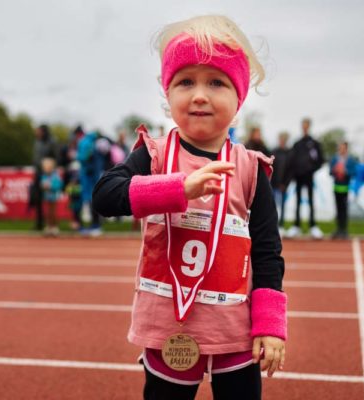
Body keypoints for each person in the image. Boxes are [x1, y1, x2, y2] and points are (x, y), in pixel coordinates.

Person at [93, 15, 286, 400]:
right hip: (168, 332)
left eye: (216, 82)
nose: (199, 94)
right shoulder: (153, 154)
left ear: (239, 97)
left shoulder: (250, 167)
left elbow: (268, 251)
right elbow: (104, 196)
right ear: (168, 95)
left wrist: (270, 324)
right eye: (186, 82)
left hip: (234, 334)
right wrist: (179, 187)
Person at [285, 118, 324, 239]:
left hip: (309, 176)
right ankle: (296, 225)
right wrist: (293, 173)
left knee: (311, 201)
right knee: (297, 202)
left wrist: (311, 170)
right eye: (303, 125)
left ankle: (313, 226)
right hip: (298, 177)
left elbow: (320, 160)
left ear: (309, 127)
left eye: (307, 125)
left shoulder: (314, 143)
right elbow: (291, 160)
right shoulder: (297, 144)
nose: (305, 127)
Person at [32, 124, 59, 231]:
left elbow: (56, 157)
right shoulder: (37, 142)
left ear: (43, 131)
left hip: (48, 175)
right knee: (37, 199)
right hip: (38, 173)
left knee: (51, 204)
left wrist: (49, 168)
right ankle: (40, 223)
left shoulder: (51, 142)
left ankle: (53, 226)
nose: (36, 133)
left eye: (38, 131)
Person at [329, 142, 358, 239]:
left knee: (344, 209)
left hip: (345, 188)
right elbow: (330, 172)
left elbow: (354, 172)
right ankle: (338, 229)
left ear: (346, 149)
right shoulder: (335, 159)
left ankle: (344, 230)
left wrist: (345, 172)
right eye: (340, 148)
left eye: (343, 148)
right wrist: (335, 171)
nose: (341, 150)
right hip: (336, 187)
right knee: (338, 209)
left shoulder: (350, 160)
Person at [271, 132, 290, 234]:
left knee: (282, 206)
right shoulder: (274, 152)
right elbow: (271, 168)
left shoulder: (289, 153)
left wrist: (285, 183)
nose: (282, 141)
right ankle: (273, 225)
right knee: (272, 206)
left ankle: (281, 225)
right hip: (273, 184)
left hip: (284, 185)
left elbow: (290, 170)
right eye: (281, 139)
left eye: (284, 139)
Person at [39, 157, 63, 236]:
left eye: (48, 167)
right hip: (47, 196)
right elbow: (42, 184)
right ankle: (49, 227)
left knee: (53, 212)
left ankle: (54, 227)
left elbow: (59, 185)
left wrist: (50, 186)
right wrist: (43, 186)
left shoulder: (55, 176)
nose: (46, 169)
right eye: (44, 168)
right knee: (48, 213)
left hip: (54, 196)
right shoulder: (44, 176)